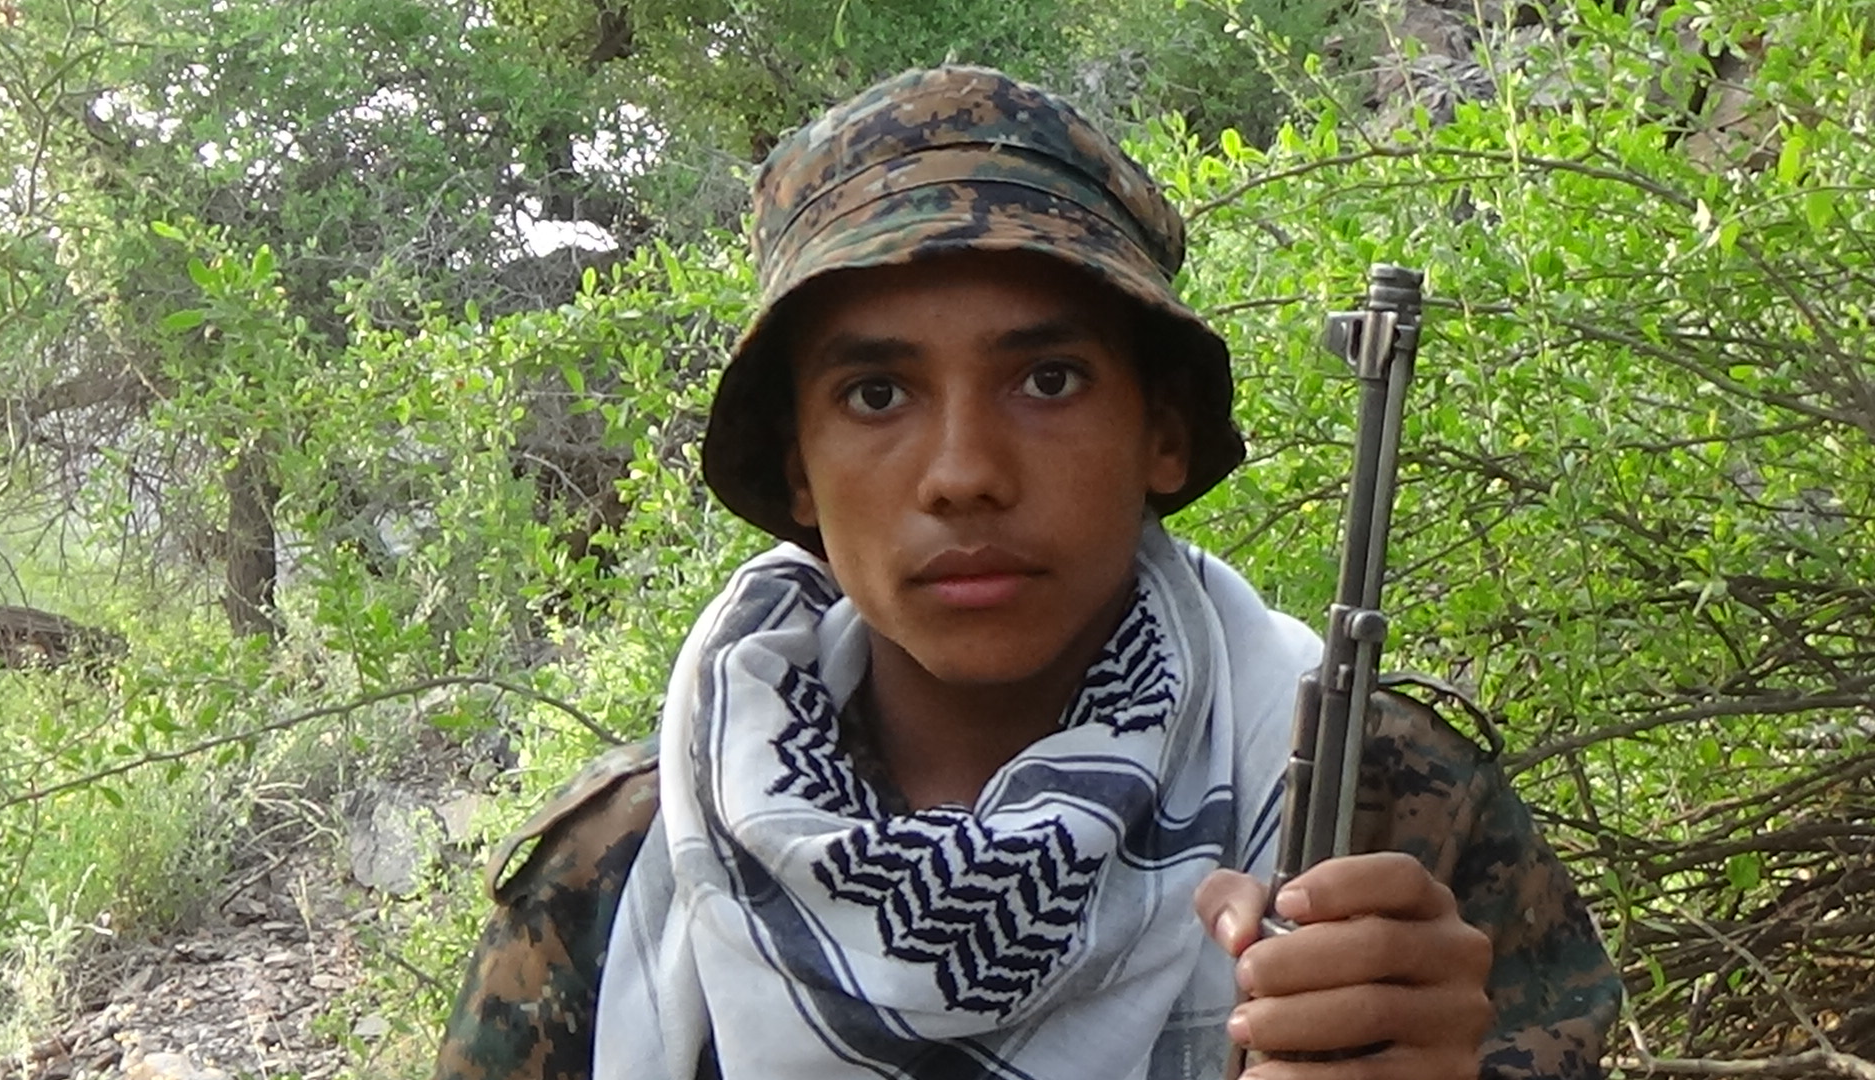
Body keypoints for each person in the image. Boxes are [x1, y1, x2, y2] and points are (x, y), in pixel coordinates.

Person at [434, 66, 1620, 1080]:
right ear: (798, 472)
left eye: (1048, 380)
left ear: (1162, 434)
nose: (964, 474)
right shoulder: (620, 870)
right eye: (877, 394)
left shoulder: (1392, 811)